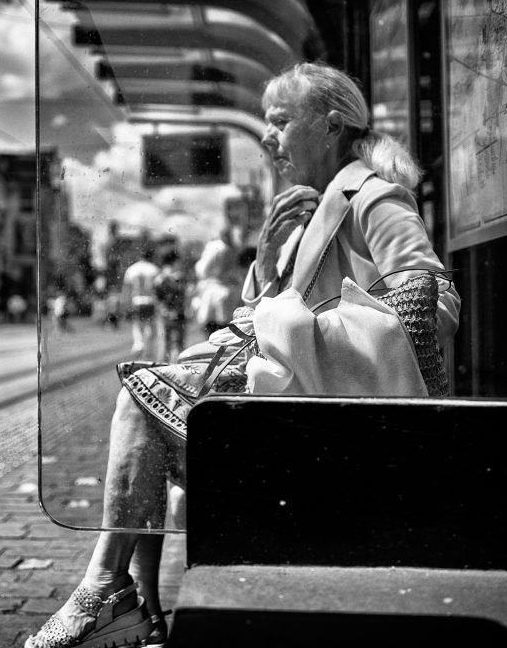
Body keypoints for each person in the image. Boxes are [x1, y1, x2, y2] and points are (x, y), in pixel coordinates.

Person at [23, 61, 460, 648]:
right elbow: (254, 317)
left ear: (332, 127)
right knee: (147, 402)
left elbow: (434, 300)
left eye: (280, 121)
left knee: (141, 401)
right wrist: (266, 256)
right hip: (297, 410)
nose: (267, 137)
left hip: (337, 423)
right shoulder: (307, 207)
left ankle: (111, 594)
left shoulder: (374, 196)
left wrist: (304, 331)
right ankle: (131, 601)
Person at [122, 245, 161, 359]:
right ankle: (148, 348)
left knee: (137, 325)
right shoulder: (154, 269)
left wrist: (125, 304)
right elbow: (158, 288)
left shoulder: (131, 269)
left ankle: (139, 343)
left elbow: (126, 289)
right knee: (150, 326)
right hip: (150, 301)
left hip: (137, 301)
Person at [153, 247, 188, 363]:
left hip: (163, 315)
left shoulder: (159, 278)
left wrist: (164, 309)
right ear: (175, 260)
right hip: (178, 314)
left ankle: (162, 370)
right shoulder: (179, 277)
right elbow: (183, 296)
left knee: (163, 343)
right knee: (178, 344)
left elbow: (157, 298)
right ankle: (176, 370)